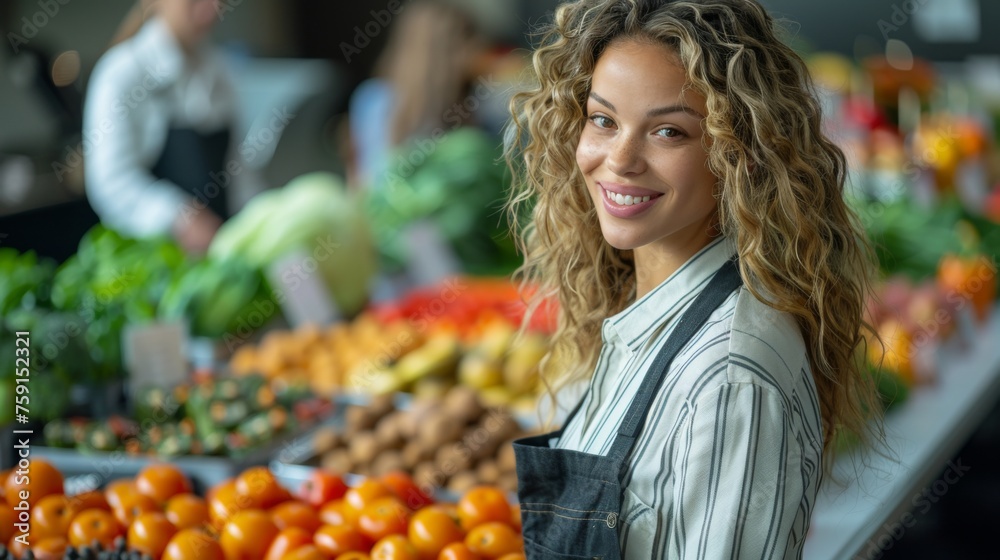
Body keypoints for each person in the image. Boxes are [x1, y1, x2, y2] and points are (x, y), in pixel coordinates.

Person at [504, 0, 883, 557]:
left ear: (740, 153)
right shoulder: (645, 310)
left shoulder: (729, 381)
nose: (621, 159)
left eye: (669, 133)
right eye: (603, 120)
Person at [84, 0, 263, 254]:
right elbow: (111, 182)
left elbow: (240, 175)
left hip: (221, 259)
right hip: (150, 262)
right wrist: (178, 216)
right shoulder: (121, 73)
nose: (210, 11)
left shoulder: (221, 70)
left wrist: (264, 220)